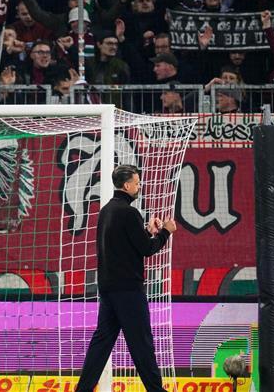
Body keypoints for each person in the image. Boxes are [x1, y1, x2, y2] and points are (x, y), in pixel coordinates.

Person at [75, 165, 177, 392]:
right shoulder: (129, 212)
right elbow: (147, 249)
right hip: (128, 290)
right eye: (137, 182)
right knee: (142, 343)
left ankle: (82, 389)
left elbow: (124, 242)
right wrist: (165, 231)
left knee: (101, 344)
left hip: (108, 289)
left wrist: (148, 230)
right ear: (127, 185)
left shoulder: (107, 211)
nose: (139, 186)